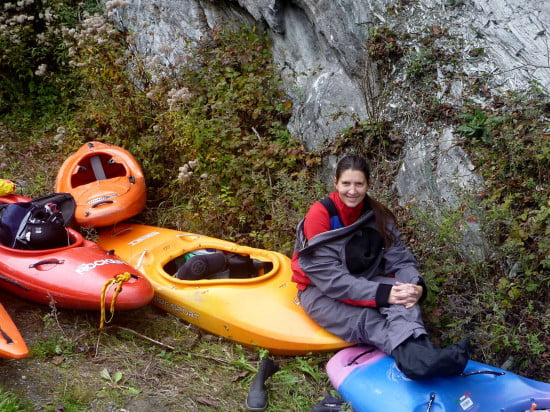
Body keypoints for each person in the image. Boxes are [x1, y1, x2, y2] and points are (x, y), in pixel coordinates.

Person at [291, 153, 470, 380]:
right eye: (346, 183)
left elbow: (401, 260)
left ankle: (425, 359)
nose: (352, 190)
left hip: (363, 280)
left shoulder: (377, 215)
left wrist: (415, 287)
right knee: (368, 319)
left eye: (359, 184)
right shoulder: (320, 215)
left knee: (404, 298)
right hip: (319, 292)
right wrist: (384, 294)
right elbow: (330, 279)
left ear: (368, 184)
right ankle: (418, 361)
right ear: (335, 183)